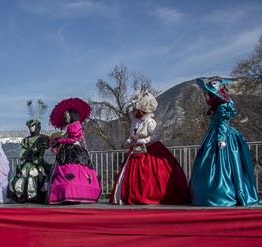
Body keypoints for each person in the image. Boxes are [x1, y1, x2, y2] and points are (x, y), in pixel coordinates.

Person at [110, 91, 190, 205]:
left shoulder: (150, 121)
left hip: (150, 150)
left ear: (142, 109)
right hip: (137, 149)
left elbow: (156, 135)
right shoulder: (135, 122)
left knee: (152, 174)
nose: (134, 111)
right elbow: (134, 134)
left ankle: (151, 195)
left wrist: (146, 140)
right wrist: (131, 139)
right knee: (132, 175)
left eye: (135, 108)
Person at [190, 78, 260, 206]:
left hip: (223, 137)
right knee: (211, 165)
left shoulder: (223, 105)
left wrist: (221, 138)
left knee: (224, 164)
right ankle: (209, 193)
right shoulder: (217, 104)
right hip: (213, 136)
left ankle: (223, 194)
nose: (209, 95)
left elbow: (223, 122)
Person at [47, 97, 101, 204]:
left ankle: (72, 193)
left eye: (66, 116)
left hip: (73, 151)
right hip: (71, 150)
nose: (65, 118)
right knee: (70, 171)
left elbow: (73, 139)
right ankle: (70, 193)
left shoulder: (75, 125)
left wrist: (60, 140)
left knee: (73, 171)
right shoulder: (74, 125)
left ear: (71, 115)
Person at [8, 100, 50, 203]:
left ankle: (37, 196)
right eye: (30, 127)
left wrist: (37, 154)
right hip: (27, 163)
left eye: (33, 127)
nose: (31, 129)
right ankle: (24, 196)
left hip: (37, 162)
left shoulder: (42, 139)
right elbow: (22, 152)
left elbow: (42, 151)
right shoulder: (26, 140)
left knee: (36, 174)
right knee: (23, 175)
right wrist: (25, 155)